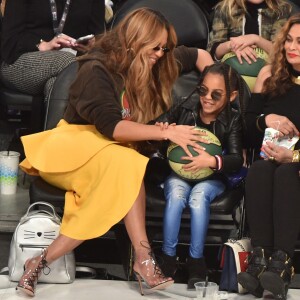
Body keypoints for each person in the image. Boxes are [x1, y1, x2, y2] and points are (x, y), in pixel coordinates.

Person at [17, 8, 214, 297]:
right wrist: (165, 132)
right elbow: (112, 127)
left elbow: (197, 55)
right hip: (72, 146)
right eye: (155, 47)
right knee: (127, 161)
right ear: (134, 41)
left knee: (125, 164)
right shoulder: (96, 69)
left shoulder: (160, 60)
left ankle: (40, 262)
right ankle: (144, 260)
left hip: (113, 155)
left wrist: (215, 82)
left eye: (164, 48)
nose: (161, 54)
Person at [153, 62, 246, 288]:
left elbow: (236, 159)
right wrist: (169, 132)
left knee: (197, 199)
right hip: (180, 174)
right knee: (175, 196)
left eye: (217, 94)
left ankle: (196, 260)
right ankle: (168, 259)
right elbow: (156, 127)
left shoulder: (233, 119)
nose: (207, 98)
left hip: (213, 178)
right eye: (203, 91)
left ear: (232, 96)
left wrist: (212, 161)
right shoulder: (186, 107)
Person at [237, 13, 300, 300]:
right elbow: (248, 130)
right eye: (288, 40)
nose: (291, 47)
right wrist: (266, 119)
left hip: (295, 165)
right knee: (261, 169)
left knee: (286, 172)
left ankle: (283, 265)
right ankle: (260, 261)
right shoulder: (269, 75)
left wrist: (294, 156)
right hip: (269, 160)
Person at [0, 0, 105, 112]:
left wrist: (91, 45)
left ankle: (58, 129)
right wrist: (42, 44)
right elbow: (9, 42)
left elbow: (99, 37)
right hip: (19, 59)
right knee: (68, 62)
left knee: (56, 83)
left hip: (74, 62)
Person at [207, 0, 291, 90]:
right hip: (230, 75)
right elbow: (213, 49)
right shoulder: (225, 8)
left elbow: (280, 50)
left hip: (269, 76)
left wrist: (256, 39)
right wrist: (232, 45)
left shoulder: (280, 9)